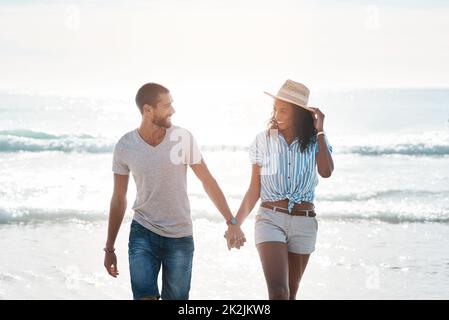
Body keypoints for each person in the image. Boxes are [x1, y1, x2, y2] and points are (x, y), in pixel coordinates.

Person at [104, 83, 244, 300]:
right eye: (166, 105)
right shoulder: (125, 146)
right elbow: (118, 198)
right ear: (148, 109)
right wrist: (109, 247)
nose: (173, 110)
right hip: (142, 232)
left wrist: (231, 221)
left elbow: (207, 180)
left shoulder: (182, 138)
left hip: (179, 236)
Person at [225, 79, 334, 300]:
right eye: (275, 109)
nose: (277, 115)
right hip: (270, 219)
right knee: (278, 292)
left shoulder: (315, 141)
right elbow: (254, 189)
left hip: (304, 222)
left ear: (299, 114)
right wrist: (235, 223)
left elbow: (326, 171)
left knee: (291, 294)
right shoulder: (264, 140)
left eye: (284, 110)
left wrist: (320, 131)